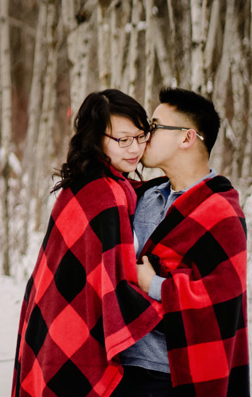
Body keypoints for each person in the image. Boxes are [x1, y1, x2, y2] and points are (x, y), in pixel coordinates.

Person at [13, 90, 163, 397]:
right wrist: (166, 297)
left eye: (140, 136)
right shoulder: (105, 195)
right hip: (73, 334)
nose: (135, 148)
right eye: (123, 139)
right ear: (96, 138)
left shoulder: (87, 184)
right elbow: (117, 288)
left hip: (48, 325)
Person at [117, 88, 249, 397]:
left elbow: (221, 298)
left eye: (154, 126)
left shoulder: (221, 213)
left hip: (171, 375)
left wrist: (154, 285)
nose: (144, 135)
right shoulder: (139, 196)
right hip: (119, 367)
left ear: (186, 138)